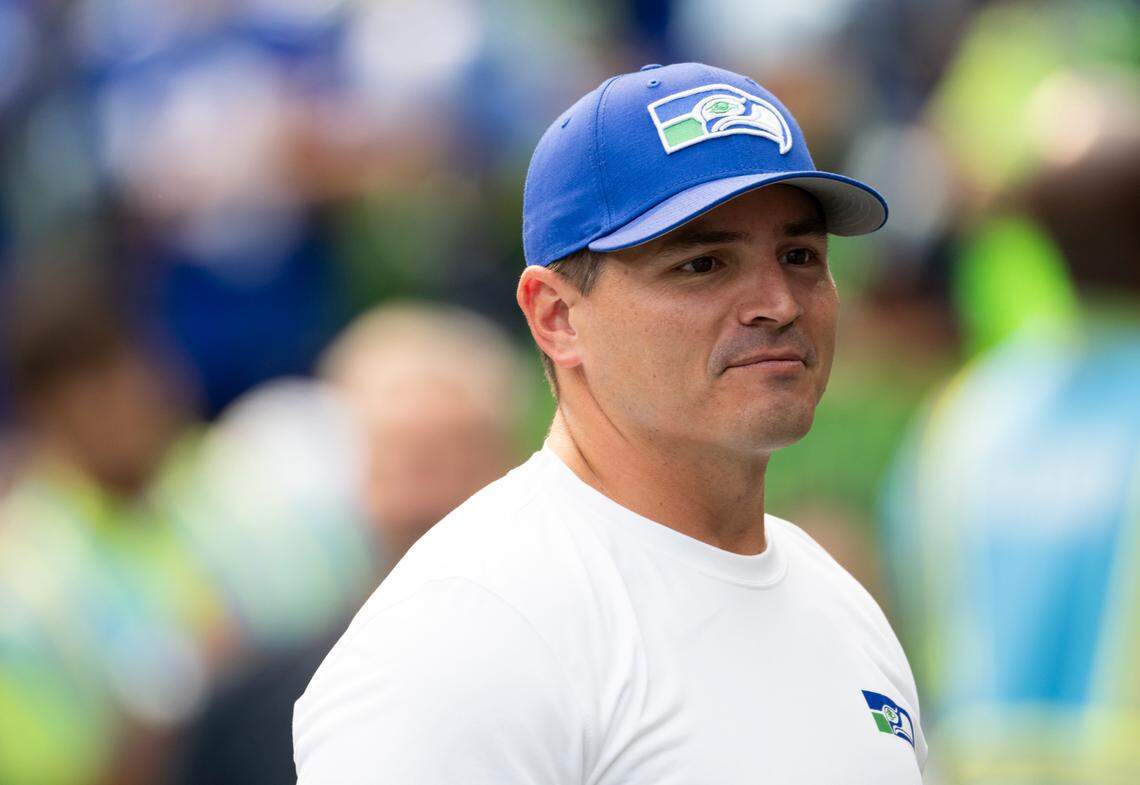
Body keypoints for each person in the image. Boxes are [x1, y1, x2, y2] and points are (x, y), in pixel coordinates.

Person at [294, 62, 927, 784]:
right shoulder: (472, 623)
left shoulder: (838, 602)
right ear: (556, 317)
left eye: (800, 255)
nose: (778, 302)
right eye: (703, 264)